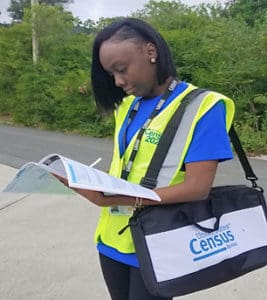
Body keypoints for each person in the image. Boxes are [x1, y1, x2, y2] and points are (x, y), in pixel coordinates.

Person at [72, 18, 235, 300]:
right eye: (111, 74)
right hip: (112, 238)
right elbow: (127, 167)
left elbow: (198, 188)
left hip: (158, 240)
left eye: (121, 70)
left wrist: (114, 199)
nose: (118, 81)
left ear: (151, 52)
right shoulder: (128, 106)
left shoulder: (204, 107)